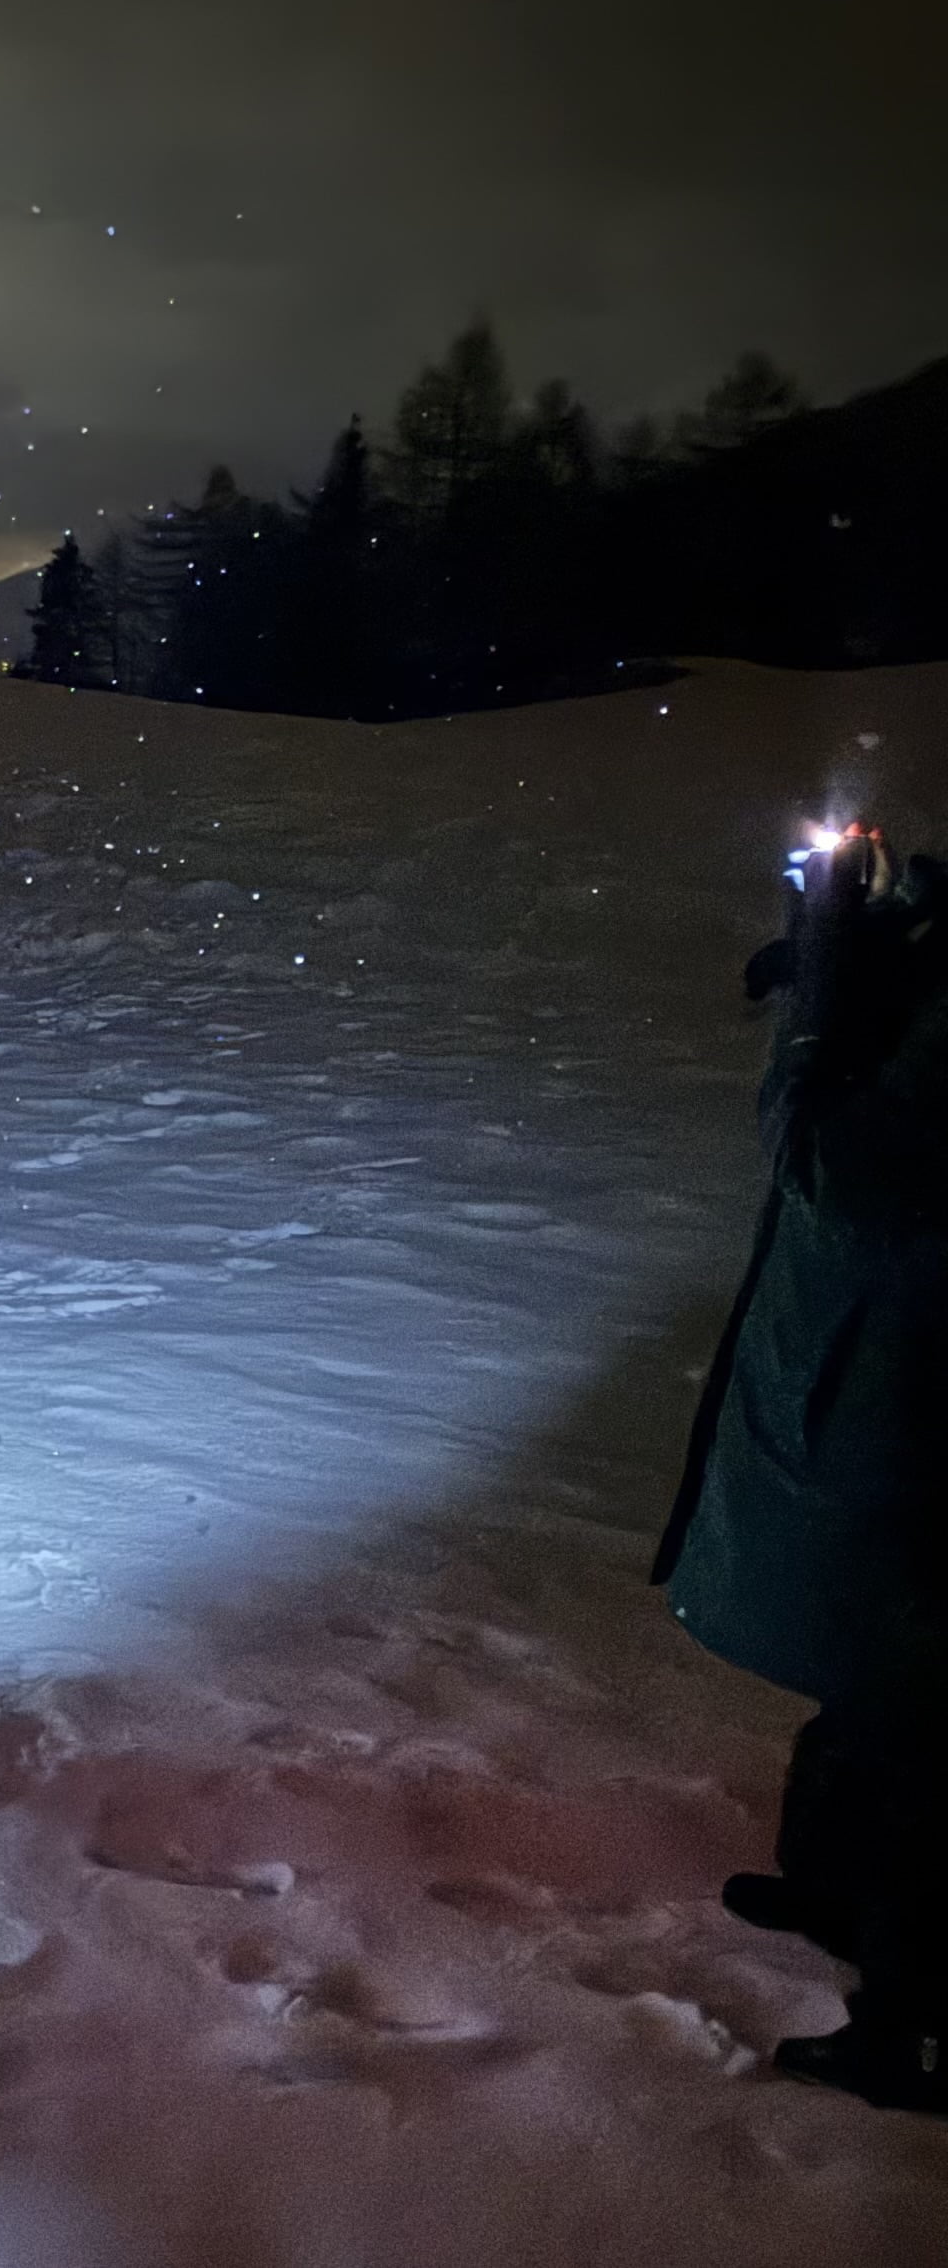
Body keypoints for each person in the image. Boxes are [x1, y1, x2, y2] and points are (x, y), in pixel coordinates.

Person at [656, 823, 948, 2113]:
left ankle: (912, 2025)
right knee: (871, 1669)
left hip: (916, 1392)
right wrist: (875, 939)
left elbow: (843, 1166)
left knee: (916, 1715)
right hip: (888, 1370)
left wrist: (825, 1014)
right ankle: (837, 1892)